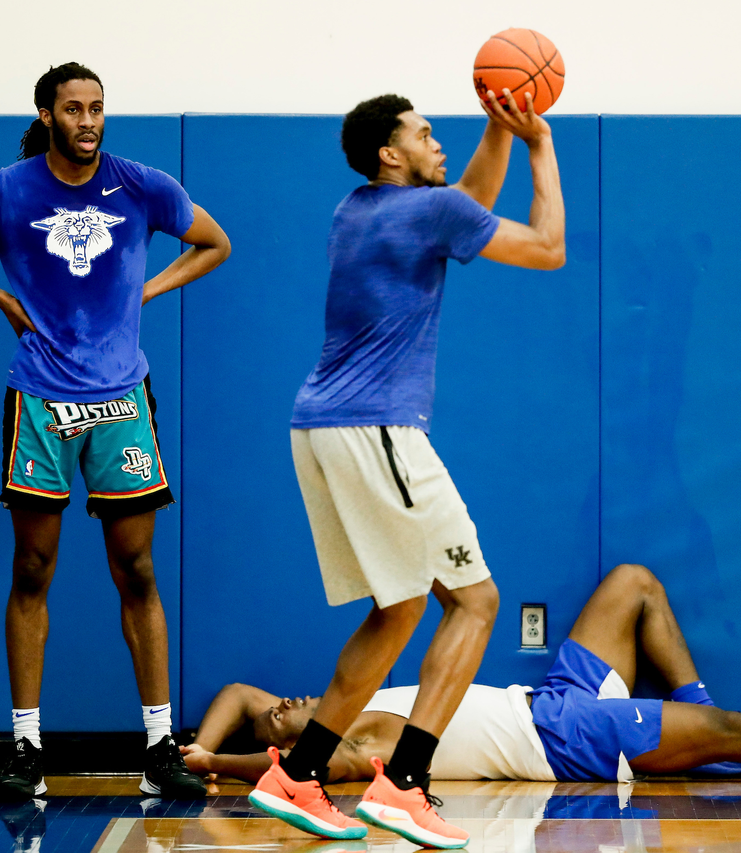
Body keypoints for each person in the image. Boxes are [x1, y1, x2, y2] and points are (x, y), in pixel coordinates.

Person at [0, 62, 230, 802]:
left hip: (121, 402)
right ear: (47, 115)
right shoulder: (6, 191)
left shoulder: (141, 184)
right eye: (73, 109)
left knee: (137, 570)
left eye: (97, 109)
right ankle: (25, 748)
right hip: (41, 402)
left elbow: (215, 242)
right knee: (32, 571)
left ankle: (157, 746)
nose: (87, 121)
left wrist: (150, 287)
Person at [249, 88, 566, 849]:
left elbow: (462, 207)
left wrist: (495, 125)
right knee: (476, 601)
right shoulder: (427, 212)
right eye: (426, 135)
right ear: (391, 152)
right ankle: (406, 784)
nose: (439, 144)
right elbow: (547, 248)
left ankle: (299, 772)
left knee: (397, 610)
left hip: (318, 427)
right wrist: (538, 144)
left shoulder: (356, 208)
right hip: (378, 429)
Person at [183, 564, 741, 790]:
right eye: (280, 718)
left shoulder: (332, 705)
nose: (282, 703)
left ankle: (699, 737)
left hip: (553, 699)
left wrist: (205, 742)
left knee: (633, 583)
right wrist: (224, 765)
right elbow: (336, 762)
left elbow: (237, 697)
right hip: (560, 739)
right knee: (740, 733)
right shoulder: (358, 738)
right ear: (291, 750)